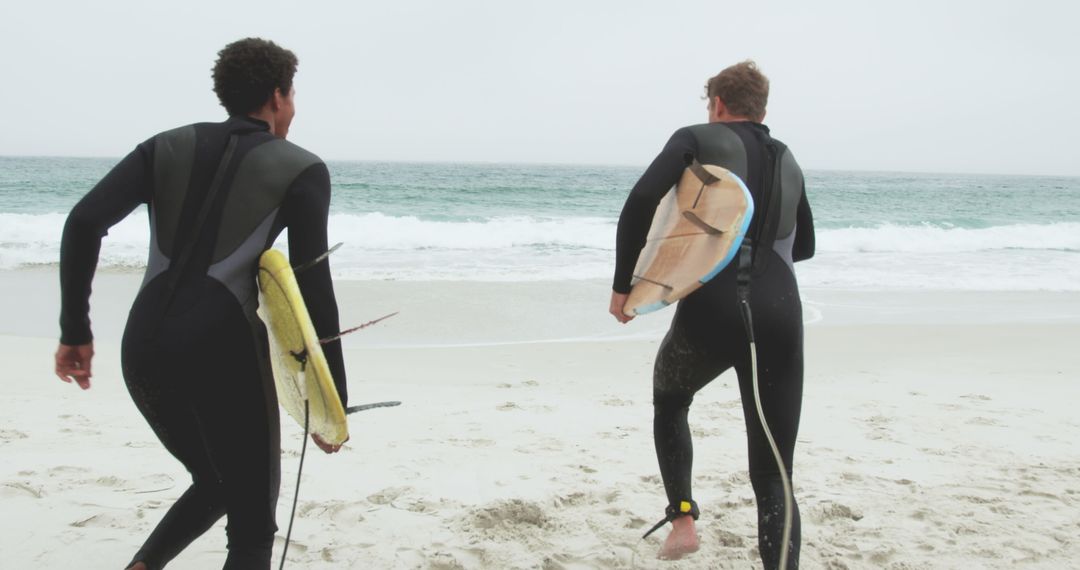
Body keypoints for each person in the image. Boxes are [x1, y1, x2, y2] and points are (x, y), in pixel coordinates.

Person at [53, 38, 348, 570]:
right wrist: (331, 403)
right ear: (278, 96)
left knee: (216, 481)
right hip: (224, 348)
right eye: (294, 94)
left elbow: (82, 222)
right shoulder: (302, 168)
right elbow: (311, 284)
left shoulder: (163, 146)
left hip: (143, 346)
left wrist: (75, 331)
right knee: (253, 524)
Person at [609, 61, 814, 568]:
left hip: (714, 306)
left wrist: (624, 288)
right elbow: (805, 246)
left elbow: (640, 201)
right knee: (774, 473)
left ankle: (682, 521)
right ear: (761, 109)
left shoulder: (697, 138)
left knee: (671, 397)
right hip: (780, 309)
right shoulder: (788, 159)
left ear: (717, 104)